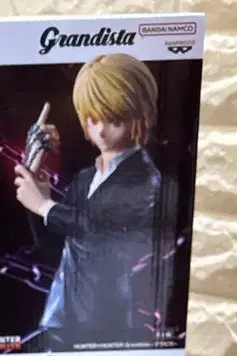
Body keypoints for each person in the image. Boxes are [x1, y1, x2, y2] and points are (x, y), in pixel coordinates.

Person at [13, 54, 165, 335]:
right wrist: (38, 192)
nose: (101, 129)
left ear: (140, 114)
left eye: (113, 118)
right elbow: (53, 244)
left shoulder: (144, 177)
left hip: (103, 322)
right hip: (61, 314)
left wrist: (45, 206)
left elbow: (100, 231)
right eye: (92, 118)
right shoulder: (86, 178)